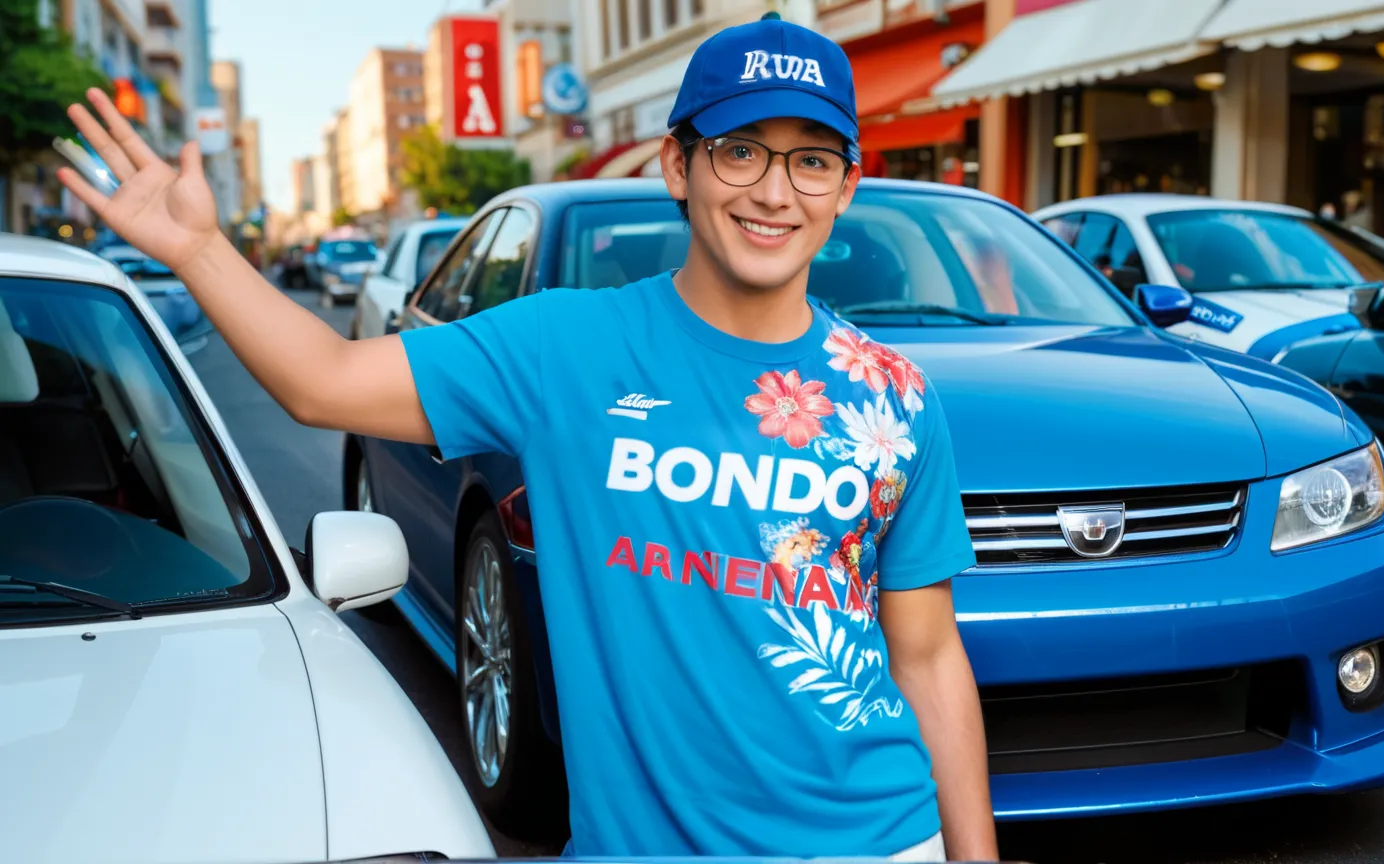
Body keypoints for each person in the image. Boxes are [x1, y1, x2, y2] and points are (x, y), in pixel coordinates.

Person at [56, 12, 995, 861]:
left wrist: (974, 857)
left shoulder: (894, 396)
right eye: (740, 150)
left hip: (876, 839)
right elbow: (323, 381)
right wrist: (198, 252)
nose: (775, 190)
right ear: (678, 165)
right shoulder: (565, 348)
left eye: (811, 160)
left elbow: (925, 655)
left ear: (844, 189)